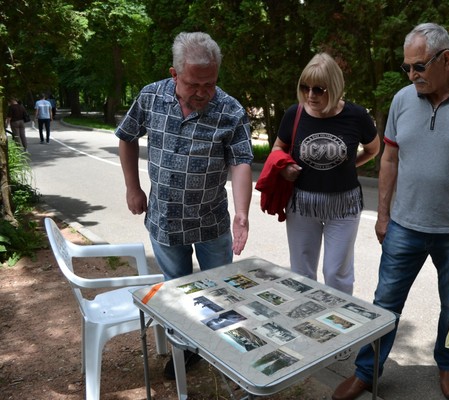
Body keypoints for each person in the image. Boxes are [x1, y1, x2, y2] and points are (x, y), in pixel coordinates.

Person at [332, 23, 449, 400]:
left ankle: (448, 365)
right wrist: (382, 216)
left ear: (446, 59)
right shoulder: (402, 101)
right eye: (407, 68)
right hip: (404, 227)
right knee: (385, 305)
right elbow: (390, 159)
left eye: (419, 67)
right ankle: (367, 372)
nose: (412, 76)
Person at [115, 31, 253, 379]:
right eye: (194, 84)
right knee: (177, 292)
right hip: (164, 219)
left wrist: (241, 212)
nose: (203, 92)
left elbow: (240, 162)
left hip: (211, 222)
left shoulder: (231, 110)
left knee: (218, 291)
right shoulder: (151, 96)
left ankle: (221, 351)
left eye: (210, 83)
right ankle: (187, 351)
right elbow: (126, 137)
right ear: (175, 74)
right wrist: (133, 187)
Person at [270, 52, 380, 295]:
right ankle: (303, 321)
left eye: (319, 89)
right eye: (305, 87)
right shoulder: (294, 114)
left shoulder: (357, 116)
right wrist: (285, 167)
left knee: (336, 274)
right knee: (301, 272)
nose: (310, 95)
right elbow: (278, 146)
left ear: (335, 87)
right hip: (302, 204)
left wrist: (351, 164)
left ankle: (339, 325)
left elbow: (373, 149)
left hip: (343, 205)